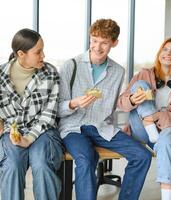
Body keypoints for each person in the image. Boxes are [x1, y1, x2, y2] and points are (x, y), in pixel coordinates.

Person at [58, 18, 152, 200]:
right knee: (86, 159)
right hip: (73, 128)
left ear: (114, 43)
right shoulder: (71, 66)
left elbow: (115, 105)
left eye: (104, 43)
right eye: (94, 40)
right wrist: (74, 103)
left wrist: (131, 100)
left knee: (142, 156)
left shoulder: (118, 71)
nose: (97, 47)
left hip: (103, 128)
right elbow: (58, 109)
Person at [0, 28, 63, 200]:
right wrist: (1, 124)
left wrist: (28, 138)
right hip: (10, 131)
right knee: (12, 165)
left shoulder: (50, 73)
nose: (43, 55)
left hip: (43, 130)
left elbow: (49, 115)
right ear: (21, 54)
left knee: (42, 164)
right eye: (38, 52)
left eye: (43, 50)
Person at [117, 38, 171, 200]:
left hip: (170, 131)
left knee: (166, 140)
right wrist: (132, 99)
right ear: (159, 53)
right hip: (143, 130)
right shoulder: (144, 74)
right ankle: (152, 131)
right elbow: (121, 103)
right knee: (141, 85)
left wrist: (157, 115)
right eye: (165, 50)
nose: (168, 54)